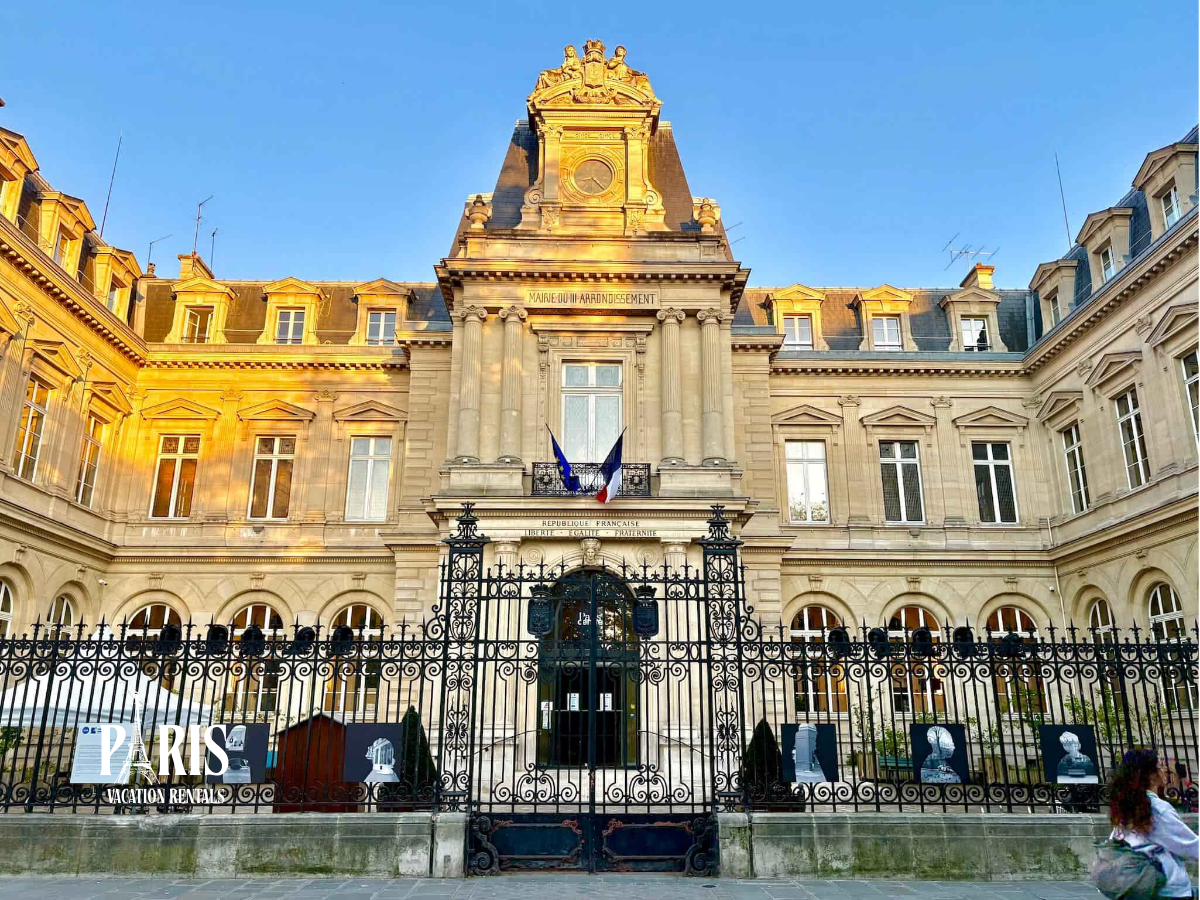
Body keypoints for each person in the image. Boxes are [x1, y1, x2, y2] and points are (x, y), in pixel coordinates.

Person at [1108, 748, 1199, 898]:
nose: (1164, 770)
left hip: (1135, 884)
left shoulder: (1127, 804)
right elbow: (1189, 845)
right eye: (1159, 765)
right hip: (1165, 888)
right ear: (1150, 775)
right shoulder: (1157, 808)